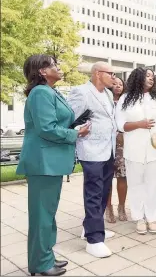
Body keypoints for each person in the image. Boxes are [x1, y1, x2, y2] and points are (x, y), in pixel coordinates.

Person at [17, 55, 90, 276]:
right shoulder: (40, 93)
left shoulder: (51, 92)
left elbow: (57, 121)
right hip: (43, 163)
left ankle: (45, 255)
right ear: (41, 71)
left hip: (50, 162)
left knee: (47, 214)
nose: (58, 68)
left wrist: (74, 124)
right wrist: (75, 132)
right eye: (53, 65)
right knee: (41, 215)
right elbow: (46, 128)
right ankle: (40, 263)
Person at [115, 67, 156, 234]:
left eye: (152, 76)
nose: (151, 79)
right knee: (135, 184)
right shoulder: (125, 99)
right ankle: (139, 217)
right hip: (134, 149)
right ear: (138, 78)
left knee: (153, 183)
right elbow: (120, 125)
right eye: (148, 76)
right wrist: (138, 124)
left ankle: (153, 217)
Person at [68, 61, 117, 258]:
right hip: (91, 149)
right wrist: (77, 131)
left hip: (108, 149)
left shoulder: (106, 93)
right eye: (111, 73)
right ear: (98, 74)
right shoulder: (81, 92)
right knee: (94, 192)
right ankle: (94, 239)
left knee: (104, 191)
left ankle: (90, 226)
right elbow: (69, 118)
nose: (114, 77)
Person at [106, 77, 128, 223]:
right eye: (115, 84)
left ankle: (121, 207)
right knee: (107, 178)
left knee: (122, 176)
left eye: (121, 84)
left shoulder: (126, 103)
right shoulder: (104, 101)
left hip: (122, 144)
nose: (118, 86)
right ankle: (108, 208)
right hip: (106, 144)